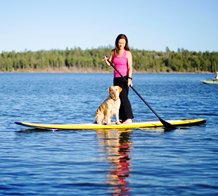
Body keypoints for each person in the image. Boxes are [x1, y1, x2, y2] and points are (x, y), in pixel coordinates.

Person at [103, 34, 134, 124]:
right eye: (119, 43)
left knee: (124, 98)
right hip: (116, 79)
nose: (121, 45)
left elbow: (130, 67)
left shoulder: (127, 53)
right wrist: (106, 61)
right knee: (117, 99)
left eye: (123, 43)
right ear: (117, 42)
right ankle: (122, 118)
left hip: (124, 79)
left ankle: (128, 118)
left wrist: (129, 79)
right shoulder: (113, 52)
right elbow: (111, 64)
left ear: (125, 43)